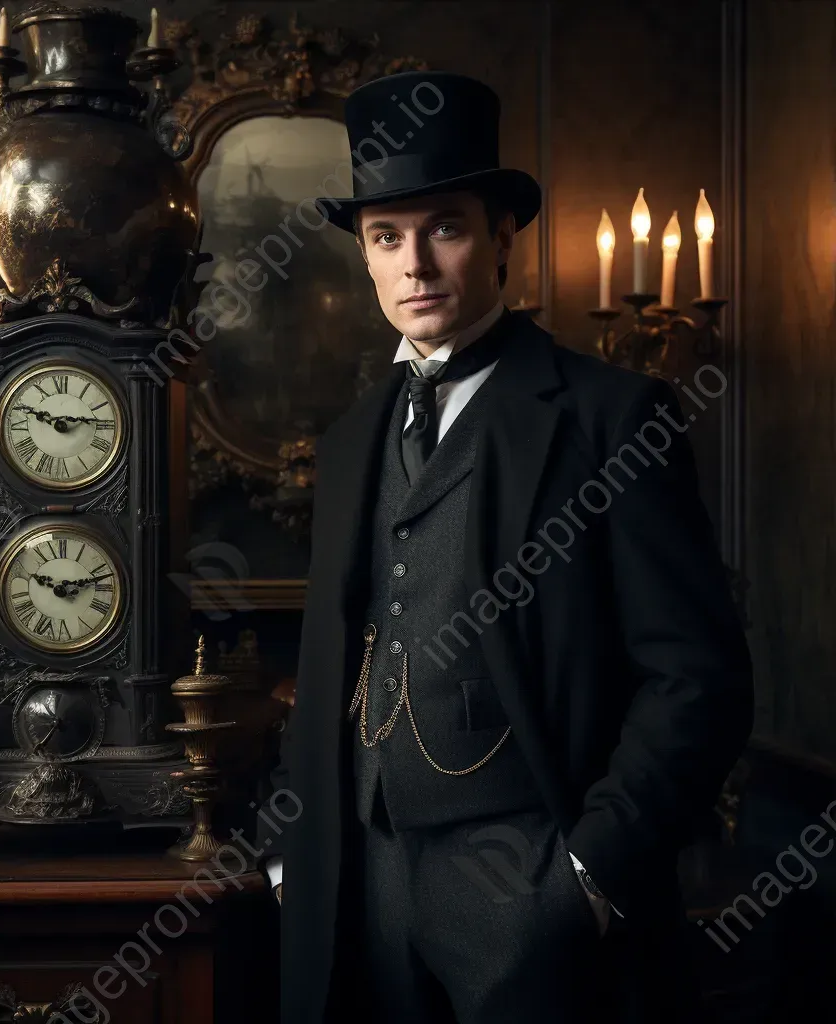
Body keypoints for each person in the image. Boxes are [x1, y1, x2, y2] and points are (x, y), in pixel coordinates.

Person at [254, 70, 753, 1024]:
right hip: (363, 883)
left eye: (444, 227)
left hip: (532, 888)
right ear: (364, 258)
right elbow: (325, 669)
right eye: (386, 238)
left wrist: (590, 874)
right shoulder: (355, 434)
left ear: (501, 240)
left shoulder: (613, 418)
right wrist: (292, 850)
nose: (416, 265)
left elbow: (699, 678)